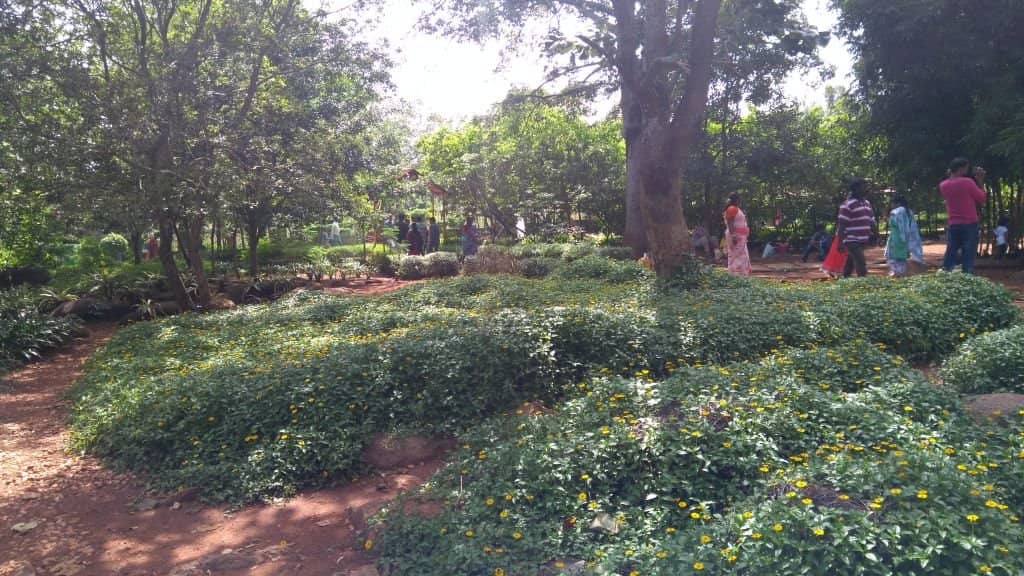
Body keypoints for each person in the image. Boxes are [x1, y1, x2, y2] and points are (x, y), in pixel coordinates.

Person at [940, 157, 986, 273]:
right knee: (968, 254)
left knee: (951, 252)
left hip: (953, 223)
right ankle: (967, 276)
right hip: (969, 222)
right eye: (966, 168)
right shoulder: (967, 182)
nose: (968, 170)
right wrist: (980, 179)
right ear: (961, 168)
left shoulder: (943, 185)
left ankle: (945, 276)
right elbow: (981, 198)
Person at [836, 178, 874, 277]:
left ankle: (845, 277)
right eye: (863, 186)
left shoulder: (867, 203)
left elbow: (870, 219)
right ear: (856, 189)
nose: (866, 189)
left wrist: (875, 232)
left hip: (863, 239)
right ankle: (863, 281)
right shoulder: (847, 205)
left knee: (851, 260)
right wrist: (839, 241)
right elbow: (842, 224)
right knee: (860, 260)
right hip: (851, 238)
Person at [884, 195, 923, 277]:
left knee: (893, 257)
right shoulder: (908, 211)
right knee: (901, 258)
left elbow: (902, 227)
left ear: (897, 203)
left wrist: (902, 239)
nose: (891, 205)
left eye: (892, 203)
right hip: (908, 238)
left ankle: (898, 273)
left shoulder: (898, 211)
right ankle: (902, 273)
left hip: (898, 238)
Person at [723, 193, 751, 276]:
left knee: (742, 255)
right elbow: (730, 222)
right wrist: (733, 235)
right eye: (739, 199)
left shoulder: (736, 209)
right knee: (736, 255)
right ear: (736, 200)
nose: (740, 201)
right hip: (735, 236)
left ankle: (741, 274)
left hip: (740, 237)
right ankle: (735, 274)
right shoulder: (732, 208)